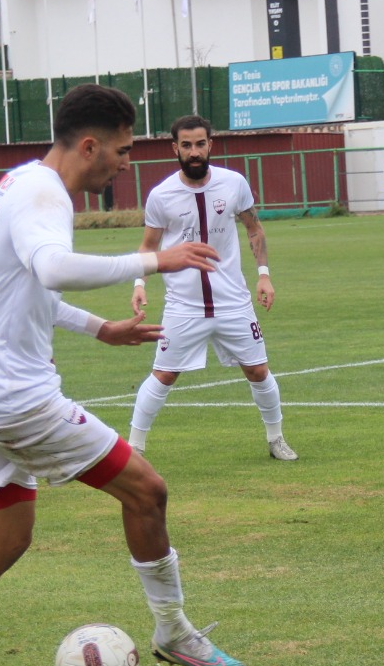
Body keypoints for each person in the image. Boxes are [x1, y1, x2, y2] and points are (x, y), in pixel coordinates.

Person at [0, 86, 242, 666]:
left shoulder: (19, 184)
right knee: (147, 490)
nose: (127, 163)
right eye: (123, 151)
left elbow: (26, 287)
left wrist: (99, 328)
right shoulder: (47, 196)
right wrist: (157, 261)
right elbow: (51, 269)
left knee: (7, 537)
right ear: (91, 145)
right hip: (18, 400)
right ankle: (174, 631)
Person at [127, 114, 298, 462]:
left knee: (258, 370)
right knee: (163, 375)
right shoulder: (161, 195)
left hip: (233, 302)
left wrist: (263, 274)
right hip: (183, 305)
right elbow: (148, 246)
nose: (194, 152)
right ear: (174, 148)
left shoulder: (233, 183)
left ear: (210, 145)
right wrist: (139, 282)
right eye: (186, 145)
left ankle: (275, 438)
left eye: (200, 144)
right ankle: (133, 448)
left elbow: (254, 229)